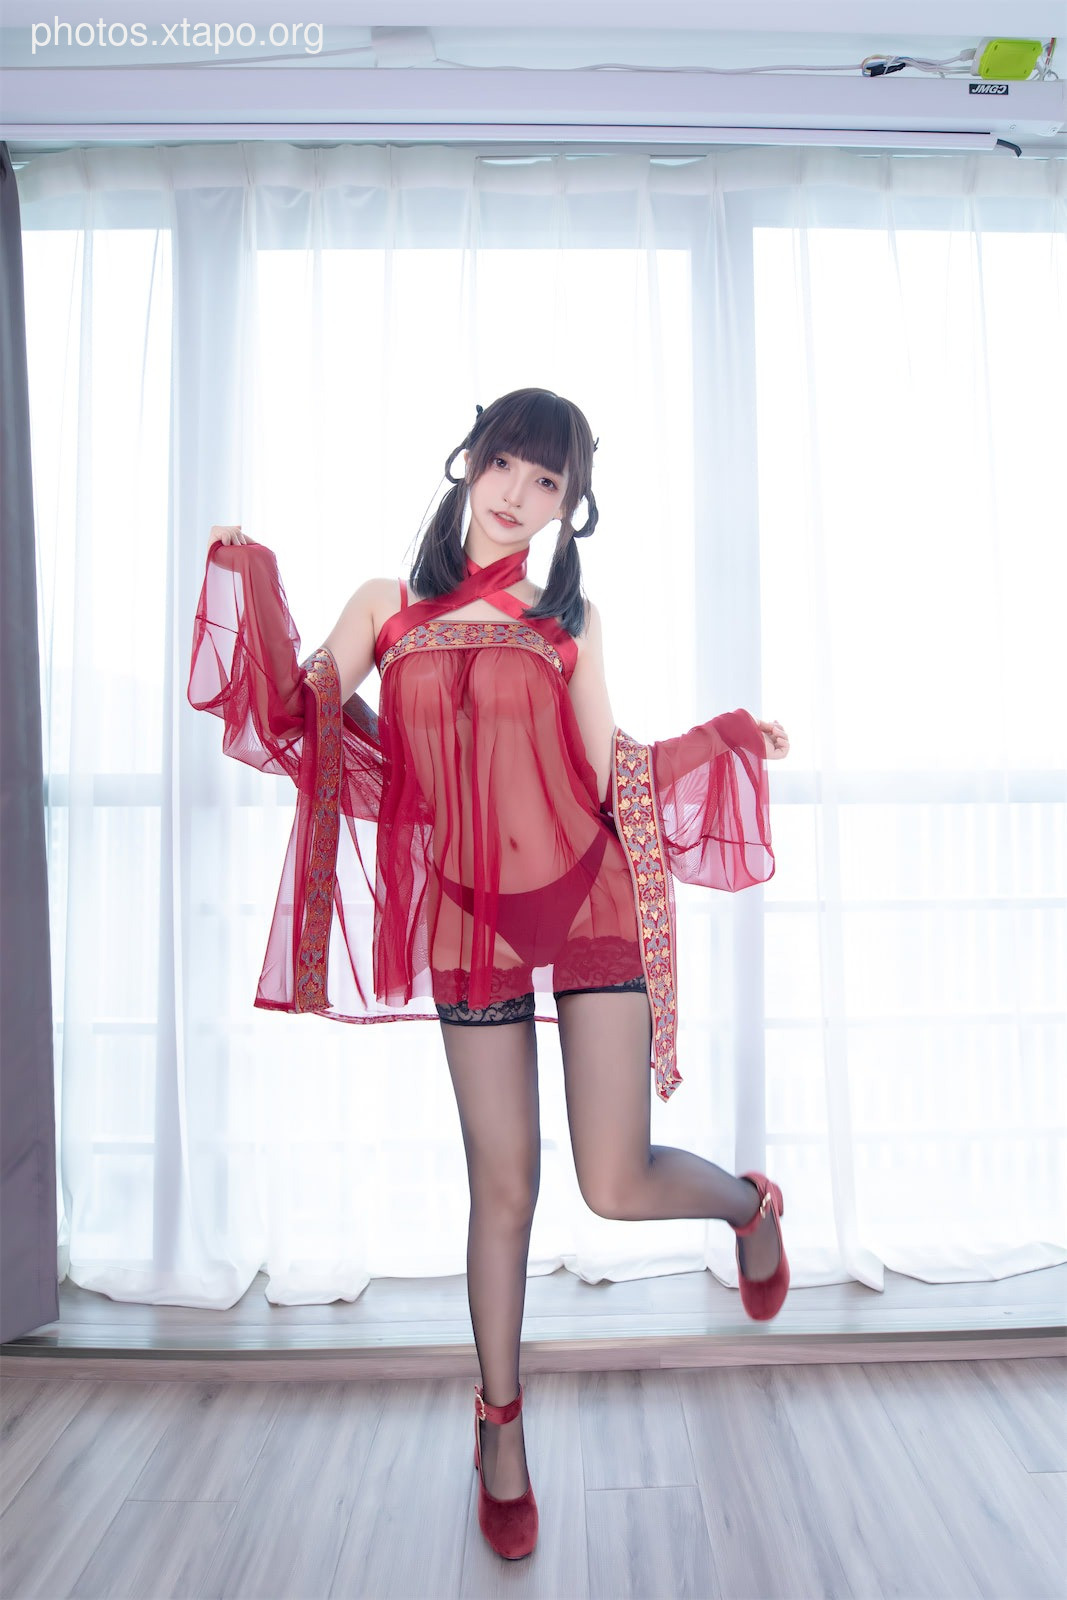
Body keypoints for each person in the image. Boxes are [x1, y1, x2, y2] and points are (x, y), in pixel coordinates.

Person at [189, 386, 791, 1562]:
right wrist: (246, 578)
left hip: (585, 895)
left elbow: (606, 763)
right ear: (469, 458)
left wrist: (716, 738)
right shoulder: (388, 606)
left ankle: (746, 1206)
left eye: (548, 484)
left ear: (571, 505)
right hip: (467, 923)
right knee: (504, 1188)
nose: (518, 497)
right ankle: (499, 1431)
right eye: (508, 466)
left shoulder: (568, 618)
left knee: (612, 1183)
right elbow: (292, 717)